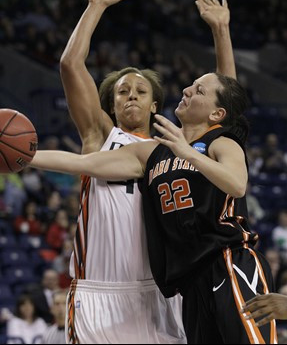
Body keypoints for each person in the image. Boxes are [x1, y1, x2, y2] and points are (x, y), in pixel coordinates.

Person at [30, 71, 278, 344]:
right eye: (190, 85)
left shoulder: (222, 143)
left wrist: (188, 153)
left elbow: (237, 185)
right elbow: (81, 163)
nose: (186, 90)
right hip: (190, 279)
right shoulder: (152, 152)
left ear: (217, 114)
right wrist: (23, 157)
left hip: (228, 261)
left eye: (198, 91)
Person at [57, 0, 236, 343]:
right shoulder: (100, 137)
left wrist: (221, 31)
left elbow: (225, 106)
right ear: (112, 104)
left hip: (161, 294)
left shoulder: (176, 148)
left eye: (141, 91)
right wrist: (95, 7)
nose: (131, 97)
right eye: (123, 92)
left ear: (156, 104)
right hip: (99, 290)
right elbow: (71, 64)